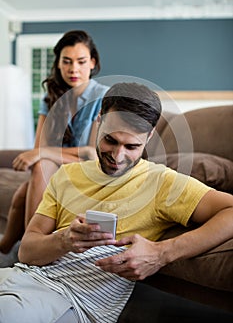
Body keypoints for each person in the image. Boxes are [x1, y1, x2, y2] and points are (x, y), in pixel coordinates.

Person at [0, 82, 233, 323]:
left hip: (70, 300)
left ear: (149, 136)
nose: (117, 156)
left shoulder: (162, 182)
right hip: (21, 277)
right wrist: (64, 240)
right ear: (99, 121)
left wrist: (162, 253)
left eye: (131, 146)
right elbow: (27, 252)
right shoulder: (66, 175)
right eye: (110, 141)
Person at [0, 30, 108, 267]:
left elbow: (91, 153)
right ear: (58, 64)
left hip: (86, 171)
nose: (74, 69)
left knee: (41, 164)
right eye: (66, 61)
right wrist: (42, 152)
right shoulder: (50, 97)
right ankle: (8, 247)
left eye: (81, 62)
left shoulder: (103, 97)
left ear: (93, 63)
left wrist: (43, 153)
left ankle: (30, 252)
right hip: (55, 170)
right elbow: (39, 147)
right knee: (24, 190)